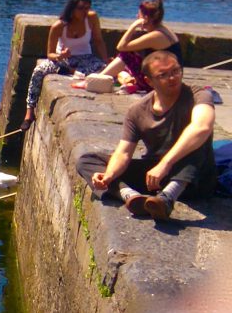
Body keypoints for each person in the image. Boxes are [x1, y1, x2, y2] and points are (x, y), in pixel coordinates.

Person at [77, 50, 216, 220]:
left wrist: (165, 164)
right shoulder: (137, 110)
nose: (172, 78)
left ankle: (166, 199)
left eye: (175, 71)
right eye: (163, 75)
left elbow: (202, 127)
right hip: (155, 177)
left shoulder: (198, 95)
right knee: (87, 160)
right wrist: (109, 175)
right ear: (149, 81)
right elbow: (124, 152)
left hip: (194, 179)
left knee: (195, 141)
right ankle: (131, 196)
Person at [21, 0, 109, 130]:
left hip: (86, 58)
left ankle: (71, 72)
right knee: (39, 71)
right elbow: (50, 54)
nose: (85, 11)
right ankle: (29, 112)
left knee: (102, 70)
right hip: (63, 60)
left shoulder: (91, 18)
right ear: (72, 9)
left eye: (87, 7)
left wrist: (105, 60)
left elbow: (98, 40)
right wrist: (60, 55)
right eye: (81, 8)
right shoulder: (59, 26)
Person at [99, 0, 181, 92]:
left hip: (160, 83)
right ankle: (131, 83)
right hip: (167, 78)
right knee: (126, 65)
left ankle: (99, 79)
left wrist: (133, 26)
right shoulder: (164, 30)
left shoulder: (156, 36)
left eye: (138, 15)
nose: (136, 17)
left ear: (145, 18)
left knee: (126, 54)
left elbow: (121, 47)